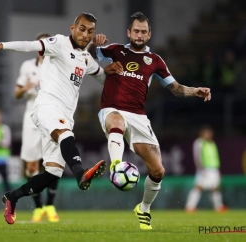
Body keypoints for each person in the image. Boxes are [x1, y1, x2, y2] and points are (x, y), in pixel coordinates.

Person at [0, 12, 118, 225]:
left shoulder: (86, 58)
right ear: (72, 28)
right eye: (82, 28)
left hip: (65, 116)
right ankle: (80, 174)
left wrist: (110, 66)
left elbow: (103, 78)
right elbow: (29, 45)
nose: (85, 34)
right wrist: (0, 45)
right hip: (46, 106)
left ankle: (12, 197)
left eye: (90, 31)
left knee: (52, 174)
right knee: (65, 135)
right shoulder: (58, 43)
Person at [88, 12, 211, 230]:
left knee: (158, 171)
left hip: (139, 117)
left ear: (149, 34)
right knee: (115, 120)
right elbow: (86, 54)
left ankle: (143, 208)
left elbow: (176, 89)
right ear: (129, 32)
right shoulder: (115, 50)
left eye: (144, 32)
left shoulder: (155, 61)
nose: (139, 34)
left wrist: (195, 91)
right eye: (136, 30)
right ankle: (116, 166)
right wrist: (92, 42)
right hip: (112, 109)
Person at [15, 32, 59, 222]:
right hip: (32, 119)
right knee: (31, 165)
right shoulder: (27, 66)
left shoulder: (57, 66)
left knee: (53, 163)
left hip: (51, 118)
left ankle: (49, 205)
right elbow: (16, 93)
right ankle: (39, 207)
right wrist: (26, 87)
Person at [185, 125, 228, 213]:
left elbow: (215, 157)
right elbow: (197, 156)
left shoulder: (212, 143)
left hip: (214, 169)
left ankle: (218, 207)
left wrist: (218, 170)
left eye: (210, 133)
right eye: (207, 133)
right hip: (204, 169)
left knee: (216, 188)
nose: (209, 135)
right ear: (202, 134)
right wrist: (200, 168)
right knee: (198, 187)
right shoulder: (199, 142)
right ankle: (189, 207)